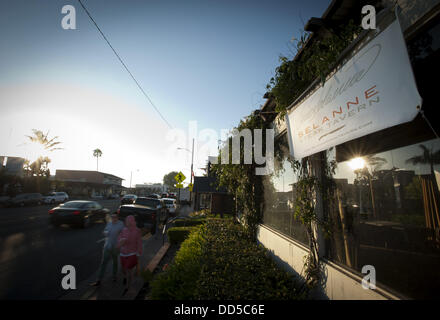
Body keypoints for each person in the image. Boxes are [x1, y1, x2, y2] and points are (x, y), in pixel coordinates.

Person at [90, 213, 124, 286]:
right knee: (103, 263)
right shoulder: (109, 224)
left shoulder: (121, 224)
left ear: (117, 217)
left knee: (115, 262)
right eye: (112, 217)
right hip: (107, 246)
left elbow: (124, 234)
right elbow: (105, 231)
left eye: (115, 217)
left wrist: (120, 235)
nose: (113, 218)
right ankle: (99, 280)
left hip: (116, 247)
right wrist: (105, 233)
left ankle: (114, 276)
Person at [117, 215, 143, 295]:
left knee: (129, 270)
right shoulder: (123, 230)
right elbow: (119, 241)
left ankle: (128, 287)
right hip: (123, 253)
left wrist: (138, 254)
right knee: (123, 269)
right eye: (126, 221)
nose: (127, 223)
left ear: (132, 222)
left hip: (132, 253)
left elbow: (139, 243)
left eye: (129, 221)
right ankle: (125, 277)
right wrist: (120, 242)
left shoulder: (137, 231)